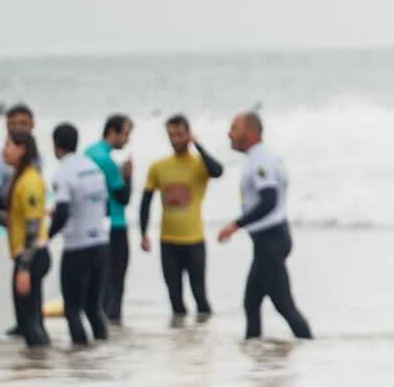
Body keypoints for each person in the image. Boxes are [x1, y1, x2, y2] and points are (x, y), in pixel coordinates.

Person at [217, 111, 311, 340]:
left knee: (284, 306)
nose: (229, 133)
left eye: (234, 128)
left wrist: (236, 224)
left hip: (271, 241)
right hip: (268, 240)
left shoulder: (261, 161)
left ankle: (311, 350)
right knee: (251, 303)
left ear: (250, 132)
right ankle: (255, 360)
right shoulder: (260, 158)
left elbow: (269, 200)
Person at [138, 114, 224, 322]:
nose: (175, 139)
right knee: (175, 300)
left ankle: (202, 339)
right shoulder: (158, 166)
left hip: (194, 241)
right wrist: (143, 233)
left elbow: (218, 171)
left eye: (180, 134)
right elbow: (146, 202)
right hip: (168, 242)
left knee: (200, 297)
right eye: (171, 134)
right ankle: (180, 346)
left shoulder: (199, 165)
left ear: (188, 134)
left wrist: (199, 145)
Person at [50, 123, 113, 345]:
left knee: (73, 309)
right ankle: (102, 354)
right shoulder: (93, 167)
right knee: (94, 308)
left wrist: (45, 237)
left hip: (77, 246)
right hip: (101, 243)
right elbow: (105, 206)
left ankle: (81, 358)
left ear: (55, 145)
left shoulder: (63, 172)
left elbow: (62, 211)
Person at [0, 133, 52, 347]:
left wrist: (24, 268)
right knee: (30, 318)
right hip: (29, 256)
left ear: (22, 149)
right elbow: (12, 221)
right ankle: (40, 366)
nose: (4, 151)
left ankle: (40, 366)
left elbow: (33, 227)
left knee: (29, 321)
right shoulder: (21, 178)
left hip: (32, 257)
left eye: (8, 145)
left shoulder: (30, 182)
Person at [87, 114, 135, 323]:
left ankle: (99, 323)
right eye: (125, 134)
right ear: (112, 132)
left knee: (98, 281)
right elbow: (123, 198)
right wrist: (127, 175)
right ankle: (113, 326)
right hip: (115, 226)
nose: (127, 139)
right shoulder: (107, 161)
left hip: (94, 226)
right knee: (115, 281)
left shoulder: (88, 153)